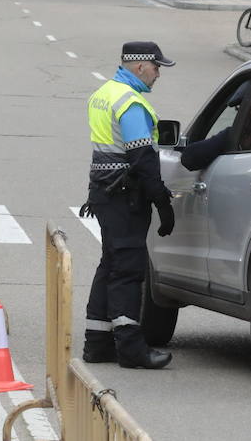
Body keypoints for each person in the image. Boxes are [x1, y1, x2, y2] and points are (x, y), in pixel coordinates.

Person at [81, 42, 176, 371]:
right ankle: (131, 348)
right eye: (156, 67)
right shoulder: (130, 103)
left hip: (104, 194)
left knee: (110, 265)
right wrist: (162, 200)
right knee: (128, 271)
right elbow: (142, 158)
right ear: (140, 67)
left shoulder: (104, 93)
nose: (158, 74)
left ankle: (97, 342)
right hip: (125, 196)